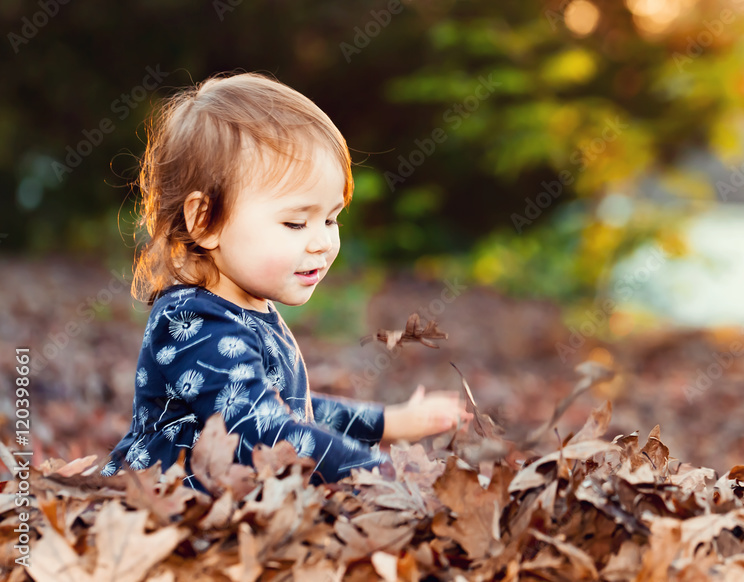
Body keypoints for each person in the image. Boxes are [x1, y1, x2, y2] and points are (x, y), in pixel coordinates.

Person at [100, 72, 469, 490]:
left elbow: (287, 410)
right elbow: (265, 427)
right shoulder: (193, 322)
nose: (324, 242)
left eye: (331, 218)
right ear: (204, 220)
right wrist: (385, 474)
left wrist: (389, 423)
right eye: (296, 222)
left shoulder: (246, 307)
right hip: (166, 520)